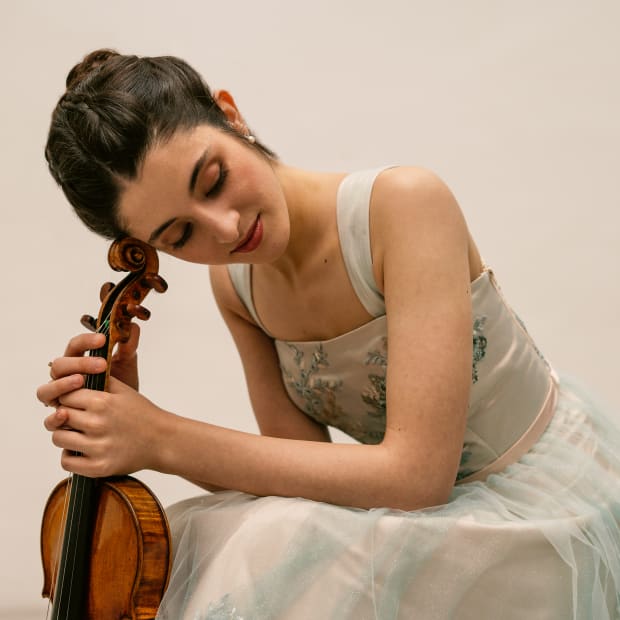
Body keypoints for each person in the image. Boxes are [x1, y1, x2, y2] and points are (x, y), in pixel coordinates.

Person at [38, 49, 620, 620]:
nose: (226, 228)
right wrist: (130, 423)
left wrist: (162, 437)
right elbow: (297, 478)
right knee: (246, 534)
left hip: (538, 510)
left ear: (231, 116)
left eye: (214, 180)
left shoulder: (405, 206)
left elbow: (418, 477)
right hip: (428, 522)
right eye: (180, 236)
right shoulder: (237, 285)